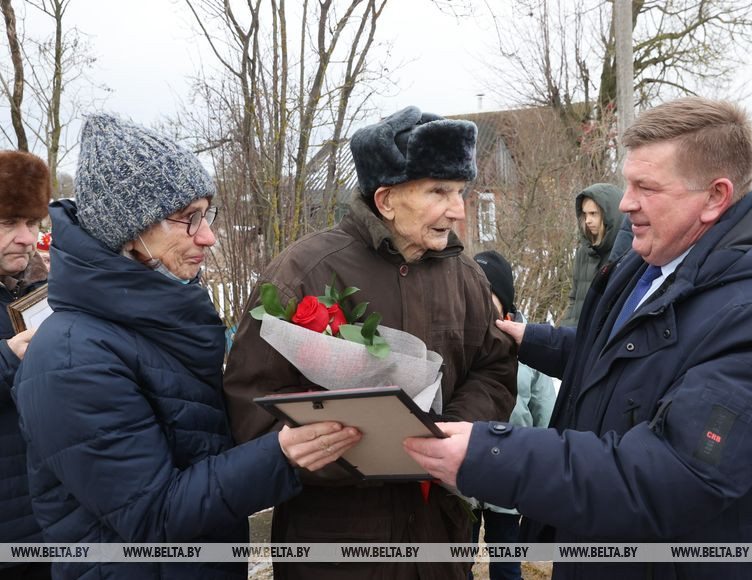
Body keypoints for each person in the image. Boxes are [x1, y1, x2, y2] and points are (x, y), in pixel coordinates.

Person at [405, 97, 752, 580]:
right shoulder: (651, 260)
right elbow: (630, 357)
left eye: (646, 187)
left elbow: (673, 475)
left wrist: (490, 455)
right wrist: (533, 340)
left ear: (715, 197)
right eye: (628, 183)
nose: (626, 202)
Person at [13, 114, 361, 580]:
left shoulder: (156, 324)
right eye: (187, 218)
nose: (208, 236)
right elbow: (153, 516)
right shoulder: (72, 358)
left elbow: (198, 445)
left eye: (207, 214)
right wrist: (280, 454)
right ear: (128, 230)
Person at [223, 105, 518, 580]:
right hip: (336, 548)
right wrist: (348, 449)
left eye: (460, 191)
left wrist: (445, 434)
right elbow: (251, 406)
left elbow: (495, 371)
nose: (458, 210)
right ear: (386, 199)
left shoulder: (466, 276)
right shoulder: (304, 272)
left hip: (440, 544)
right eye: (439, 191)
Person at [471, 250, 556, 580]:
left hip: (509, 475)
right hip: (464, 477)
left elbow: (544, 411)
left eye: (487, 296)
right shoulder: (462, 337)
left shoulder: (529, 345)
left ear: (505, 301)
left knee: (506, 562)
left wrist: (542, 465)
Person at [0, 151, 50, 580]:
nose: (25, 237)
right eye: (8, 223)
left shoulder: (36, 288)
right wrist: (8, 356)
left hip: (46, 517)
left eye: (32, 222)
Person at [560, 184, 623, 328]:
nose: (587, 220)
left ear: (609, 215)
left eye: (593, 213)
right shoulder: (583, 252)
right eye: (585, 214)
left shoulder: (624, 254)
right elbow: (574, 298)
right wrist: (564, 330)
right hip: (575, 333)